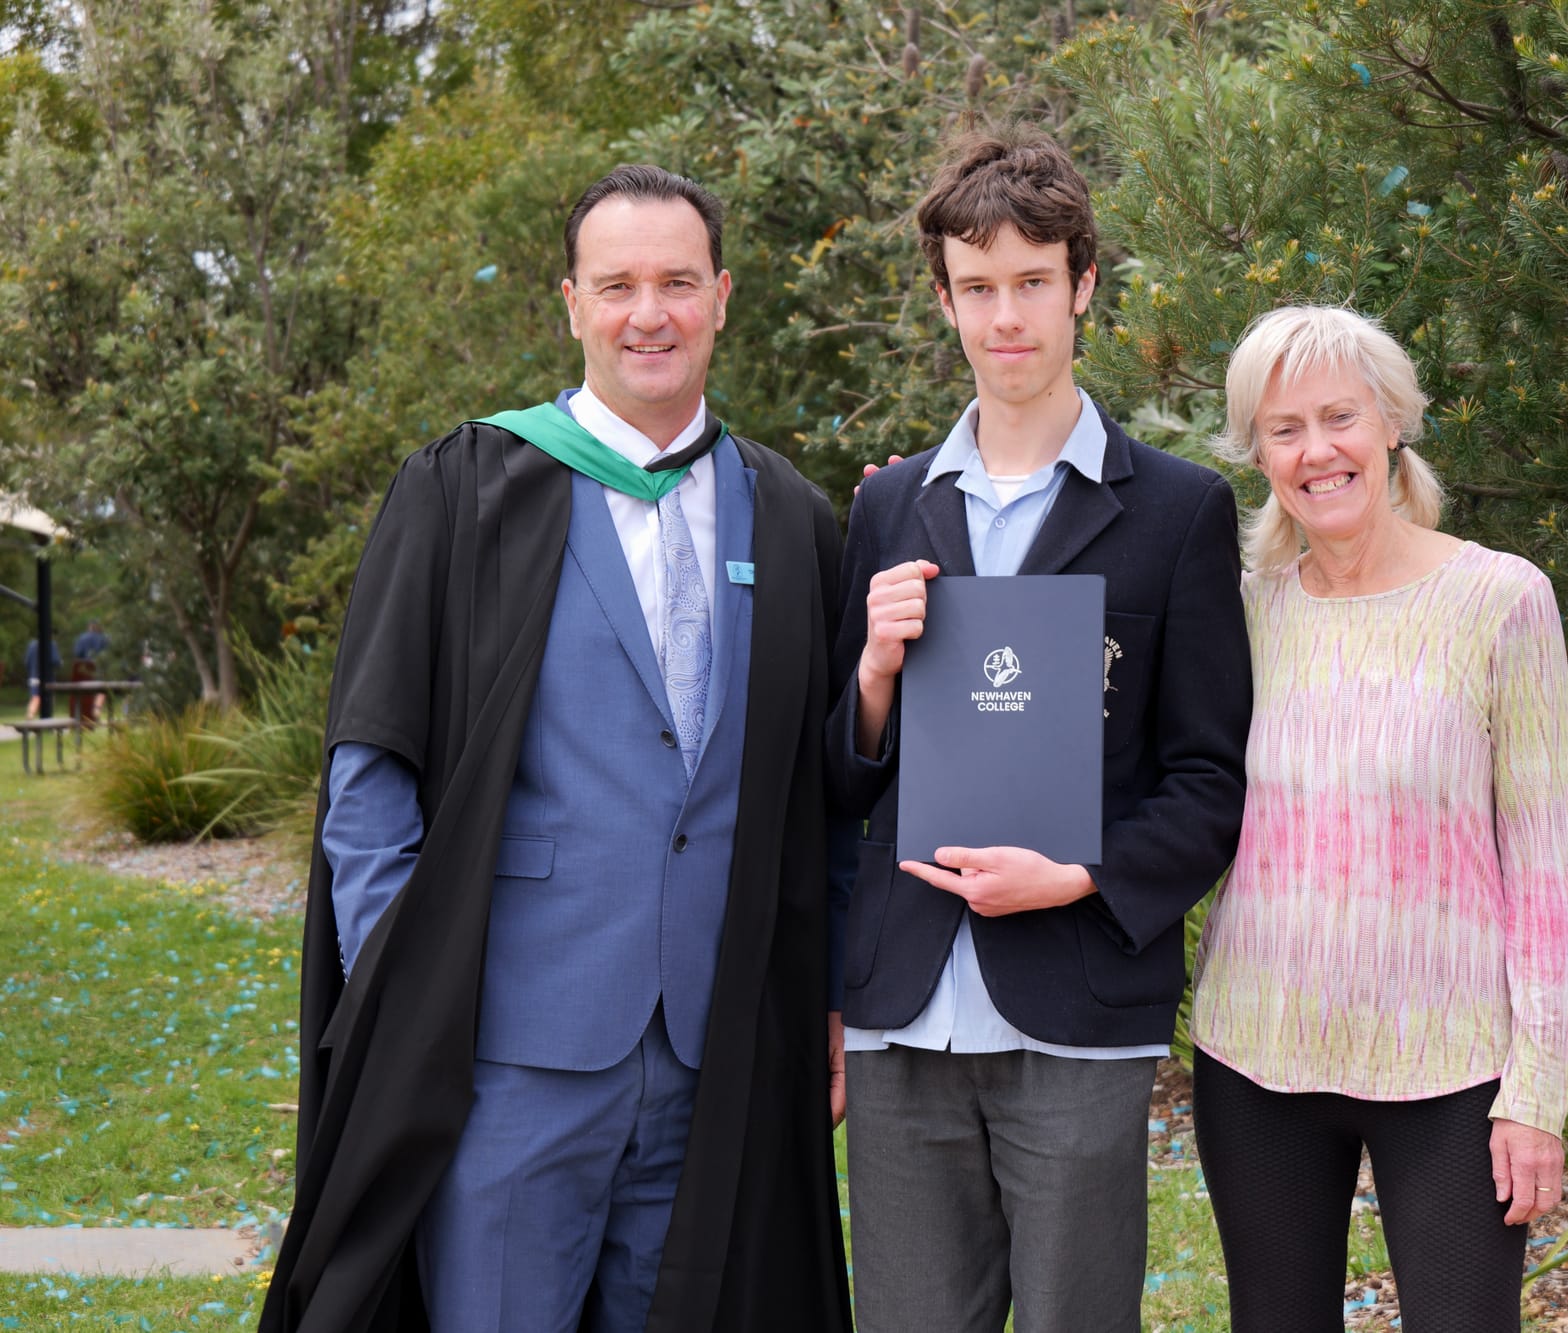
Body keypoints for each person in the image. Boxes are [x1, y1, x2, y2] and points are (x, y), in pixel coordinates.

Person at [261, 165, 852, 1333]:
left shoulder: (788, 517)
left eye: (678, 282)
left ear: (722, 297)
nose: (650, 314)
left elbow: (819, 794)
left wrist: (827, 997)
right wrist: (409, 993)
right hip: (509, 1053)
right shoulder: (466, 489)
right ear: (570, 303)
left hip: (713, 1050)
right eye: (618, 284)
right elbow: (370, 771)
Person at [828, 126, 1253, 1333]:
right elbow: (836, 778)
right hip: (903, 1005)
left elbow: (1208, 777)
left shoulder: (1175, 512)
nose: (1003, 316)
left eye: (1029, 282)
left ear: (1081, 287)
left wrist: (1077, 876)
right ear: (944, 300)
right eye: (976, 289)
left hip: (1077, 1010)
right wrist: (868, 670)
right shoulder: (885, 503)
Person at [1187, 305, 1568, 1332]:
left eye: (1338, 417)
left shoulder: (1499, 600)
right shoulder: (1245, 608)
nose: (1315, 450)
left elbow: (1545, 866)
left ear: (1390, 425)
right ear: (1257, 452)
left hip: (1452, 1068)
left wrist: (1535, 1091)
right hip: (1257, 1055)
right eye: (1283, 429)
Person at [22, 637, 57, 719]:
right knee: (49, 697)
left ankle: (30, 715)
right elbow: (55, 661)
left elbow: (26, 662)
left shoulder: (31, 645)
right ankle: (48, 718)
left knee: (35, 697)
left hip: (33, 676)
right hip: (48, 677)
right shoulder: (51, 644)